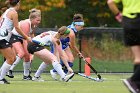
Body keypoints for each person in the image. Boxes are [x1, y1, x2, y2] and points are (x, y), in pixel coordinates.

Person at [34, 13, 84, 80]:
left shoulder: (71, 28)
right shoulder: (71, 33)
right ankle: (55, 71)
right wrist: (78, 53)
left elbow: (69, 43)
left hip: (64, 45)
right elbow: (73, 45)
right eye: (81, 27)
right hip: (57, 44)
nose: (82, 28)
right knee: (59, 59)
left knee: (71, 59)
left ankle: (65, 75)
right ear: (76, 25)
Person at [107, 0, 140, 92]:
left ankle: (137, 86)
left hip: (128, 22)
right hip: (138, 20)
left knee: (138, 58)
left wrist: (118, 16)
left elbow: (110, 2)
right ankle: (133, 80)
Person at [0, 0, 31, 84]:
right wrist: (26, 37)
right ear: (18, 3)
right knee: (11, 58)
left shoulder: (6, 11)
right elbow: (17, 28)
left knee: (12, 58)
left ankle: (1, 77)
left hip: (3, 38)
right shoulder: (14, 12)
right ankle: (1, 79)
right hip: (2, 38)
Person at [6, 8, 41, 80]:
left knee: (27, 56)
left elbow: (31, 34)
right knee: (22, 53)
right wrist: (31, 51)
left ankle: (26, 76)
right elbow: (26, 39)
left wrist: (33, 45)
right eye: (37, 20)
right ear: (32, 19)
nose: (39, 22)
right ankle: (9, 70)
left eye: (39, 20)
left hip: (22, 38)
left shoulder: (34, 25)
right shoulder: (26, 24)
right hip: (14, 36)